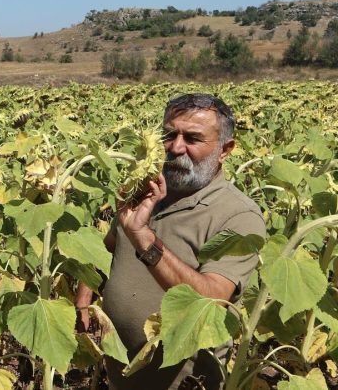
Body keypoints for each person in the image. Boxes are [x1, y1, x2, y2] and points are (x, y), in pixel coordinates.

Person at [74, 93, 265, 389]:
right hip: (120, 373)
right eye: (169, 134)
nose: (176, 147)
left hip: (183, 381)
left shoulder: (238, 216)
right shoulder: (143, 189)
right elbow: (107, 247)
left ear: (225, 150)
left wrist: (144, 239)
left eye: (192, 138)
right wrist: (83, 301)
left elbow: (210, 299)